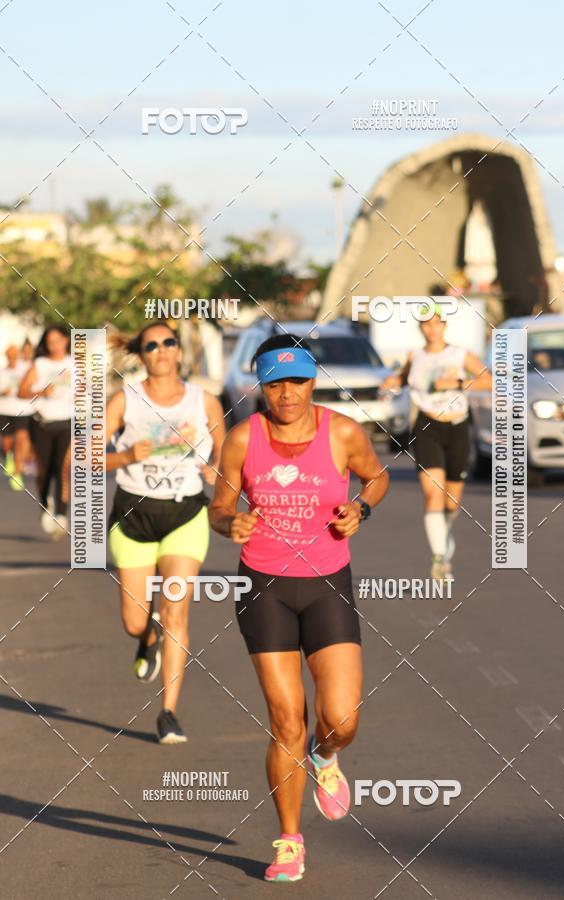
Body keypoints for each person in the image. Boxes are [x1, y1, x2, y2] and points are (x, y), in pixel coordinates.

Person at [209, 333, 389, 882]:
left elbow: (377, 478)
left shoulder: (343, 433)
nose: (287, 394)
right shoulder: (243, 439)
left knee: (342, 718)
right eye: (274, 383)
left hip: (326, 583)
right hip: (263, 586)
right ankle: (289, 840)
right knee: (286, 720)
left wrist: (359, 507)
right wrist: (229, 523)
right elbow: (219, 505)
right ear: (259, 385)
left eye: (298, 382)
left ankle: (326, 755)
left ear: (313, 381)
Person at [105, 323, 225, 745]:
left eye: (167, 342)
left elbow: (228, 452)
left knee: (177, 610)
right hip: (134, 515)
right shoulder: (125, 400)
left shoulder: (203, 400)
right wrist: (123, 455)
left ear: (178, 351)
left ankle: (169, 712)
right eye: (151, 345)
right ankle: (147, 637)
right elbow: (83, 455)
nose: (160, 350)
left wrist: (218, 472)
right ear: (141, 354)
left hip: (185, 514)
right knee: (133, 621)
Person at [385, 306, 492, 580]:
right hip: (426, 426)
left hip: (457, 427)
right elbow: (404, 378)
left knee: (452, 502)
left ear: (444, 325)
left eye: (436, 323)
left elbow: (489, 381)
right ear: (420, 328)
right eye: (426, 324)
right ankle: (439, 559)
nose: (431, 328)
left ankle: (443, 534)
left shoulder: (459, 354)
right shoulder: (415, 356)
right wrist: (392, 381)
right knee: (433, 494)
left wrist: (456, 382)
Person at [18, 326, 73, 538]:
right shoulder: (40, 364)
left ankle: (61, 515)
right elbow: (22, 391)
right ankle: (44, 503)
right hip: (42, 423)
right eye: (50, 342)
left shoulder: (75, 363)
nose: (55, 346)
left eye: (58, 340)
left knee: (63, 469)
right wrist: (41, 391)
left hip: (67, 422)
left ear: (65, 340)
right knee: (44, 471)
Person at [0, 344, 32, 491]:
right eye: (9, 355)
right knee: (7, 441)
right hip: (4, 410)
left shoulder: (25, 368)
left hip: (22, 410)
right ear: (6, 356)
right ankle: (8, 455)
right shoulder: (1, 371)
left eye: (14, 354)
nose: (12, 357)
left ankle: (18, 473)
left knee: (21, 438)